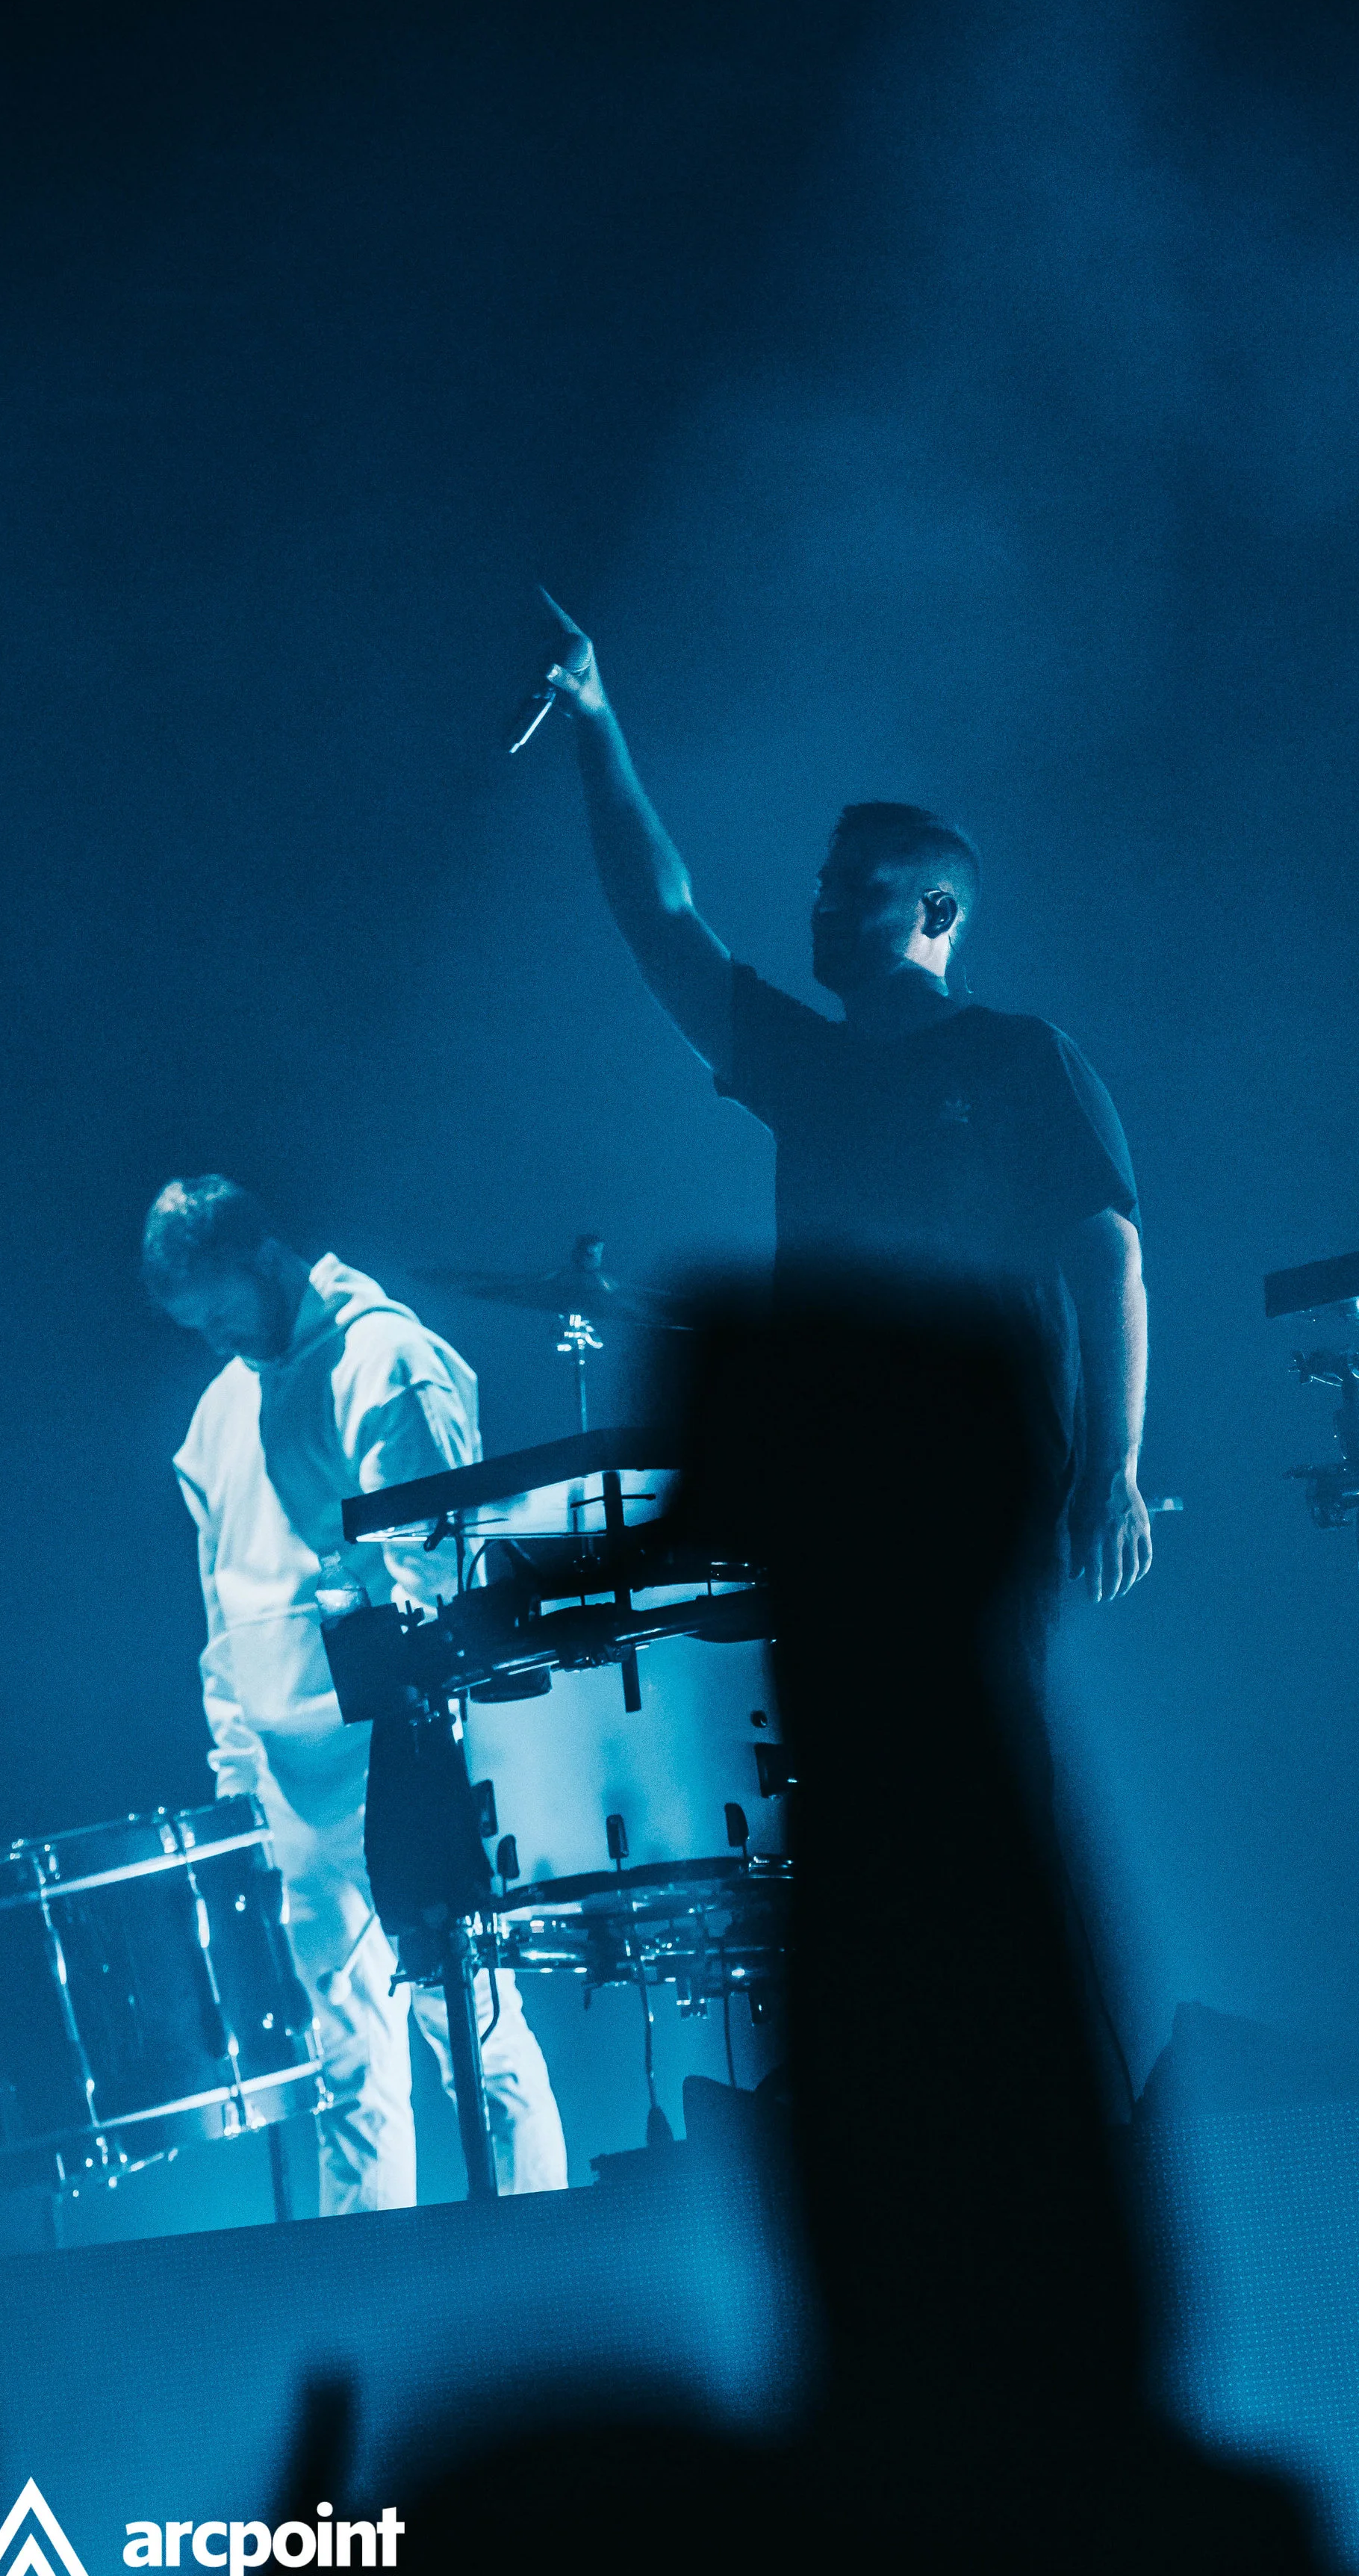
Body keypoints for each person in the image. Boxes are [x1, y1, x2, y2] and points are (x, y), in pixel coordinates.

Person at [535, 595, 1152, 1604]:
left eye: (855, 888)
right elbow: (661, 919)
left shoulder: (1020, 1057)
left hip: (989, 1494)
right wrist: (595, 718)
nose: (821, 905)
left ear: (935, 910)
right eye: (820, 884)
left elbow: (1109, 1259)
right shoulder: (811, 1067)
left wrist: (1111, 1470)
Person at [143, 1176, 567, 2213]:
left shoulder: (386, 1362)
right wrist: (236, 1767)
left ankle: (542, 2236)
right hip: (290, 1779)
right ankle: (375, 2275)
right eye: (191, 1325)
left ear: (266, 1258)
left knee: (471, 2022)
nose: (212, 1339)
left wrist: (430, 1724)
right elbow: (222, 1614)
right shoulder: (220, 1413)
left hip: (399, 1754)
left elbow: (444, 1568)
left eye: (219, 1312)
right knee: (346, 2065)